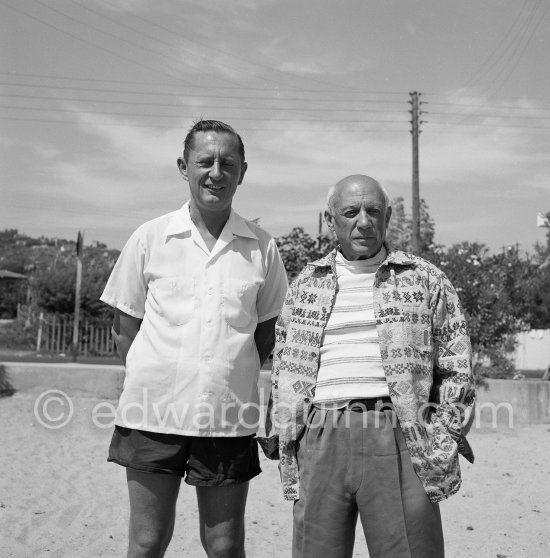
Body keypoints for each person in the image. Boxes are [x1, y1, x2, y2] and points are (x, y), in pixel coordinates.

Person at [259, 175, 475, 558]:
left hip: (399, 434)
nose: (363, 221)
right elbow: (283, 365)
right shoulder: (306, 284)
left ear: (388, 216)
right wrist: (287, 431)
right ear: (331, 220)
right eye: (350, 211)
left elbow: (456, 366)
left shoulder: (425, 279)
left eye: (373, 211)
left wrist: (442, 435)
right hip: (321, 433)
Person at [100, 119, 288, 558]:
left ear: (243, 171)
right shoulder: (149, 238)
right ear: (184, 166)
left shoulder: (262, 247)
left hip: (227, 417)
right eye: (205, 161)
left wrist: (226, 375)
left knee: (223, 545)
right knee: (147, 541)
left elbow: (265, 334)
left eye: (228, 163)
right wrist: (162, 376)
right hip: (152, 416)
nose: (216, 172)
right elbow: (125, 331)